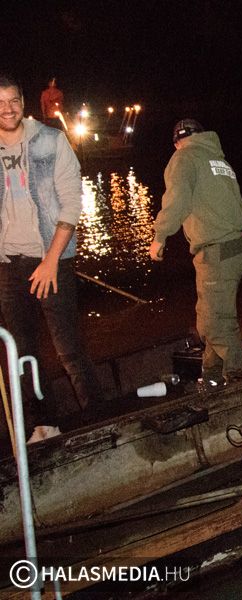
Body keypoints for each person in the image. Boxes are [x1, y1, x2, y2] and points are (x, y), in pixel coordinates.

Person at [0, 74, 105, 443]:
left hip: (52, 259)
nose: (7, 109)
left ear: (24, 102)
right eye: (0, 103)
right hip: (7, 265)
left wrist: (50, 260)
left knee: (68, 348)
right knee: (21, 352)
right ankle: (44, 425)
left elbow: (72, 204)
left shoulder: (51, 140)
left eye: (13, 100)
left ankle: (99, 421)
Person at [149, 119, 242, 387]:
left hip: (216, 250)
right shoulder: (217, 159)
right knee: (217, 312)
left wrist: (160, 236)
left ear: (177, 142)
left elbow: (177, 199)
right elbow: (236, 198)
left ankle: (239, 378)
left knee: (212, 321)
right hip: (235, 247)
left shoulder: (184, 157)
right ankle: (211, 377)